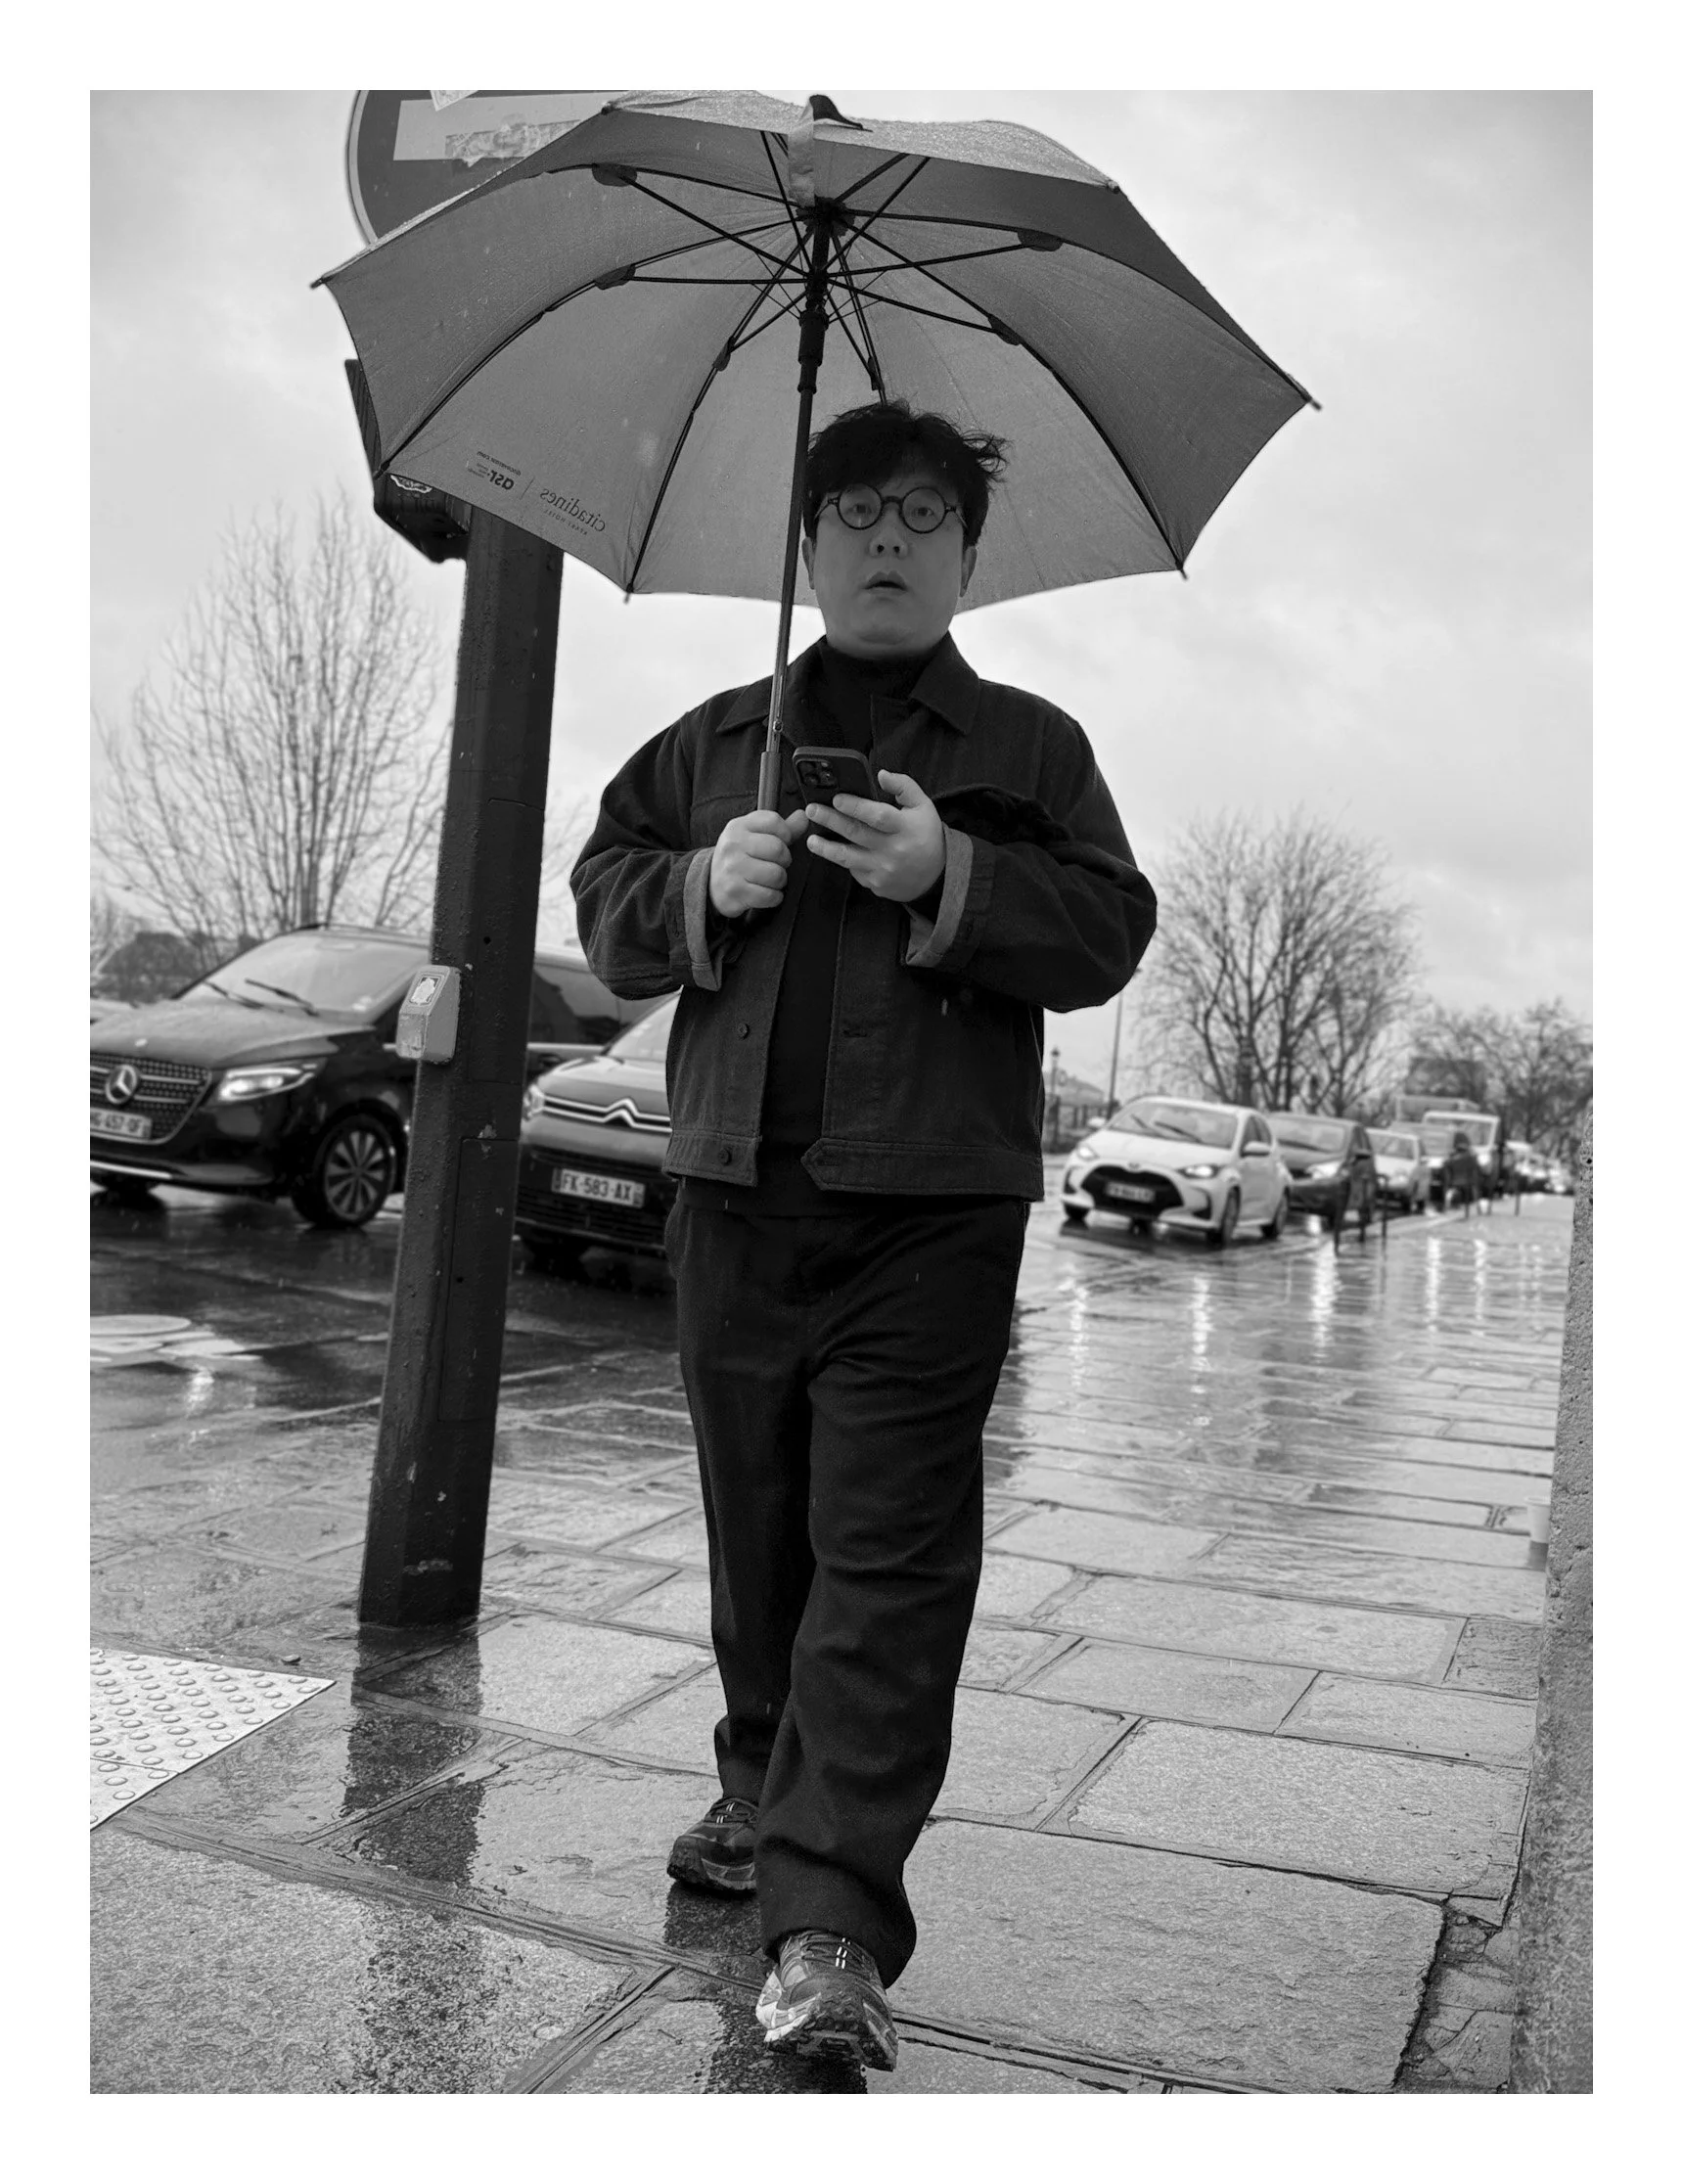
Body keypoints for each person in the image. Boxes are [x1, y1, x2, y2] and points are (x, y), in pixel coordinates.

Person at [572, 399, 1157, 2071]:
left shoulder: (1033, 752)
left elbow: (1110, 932)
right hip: (735, 1196)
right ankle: (761, 1778)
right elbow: (606, 900)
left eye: (921, 515)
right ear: (809, 549)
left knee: (889, 1558)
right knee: (761, 1537)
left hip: (932, 1217)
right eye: (853, 515)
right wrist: (701, 886)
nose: (887, 541)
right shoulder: (711, 740)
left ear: (968, 553)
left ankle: (830, 1924)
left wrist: (948, 869)